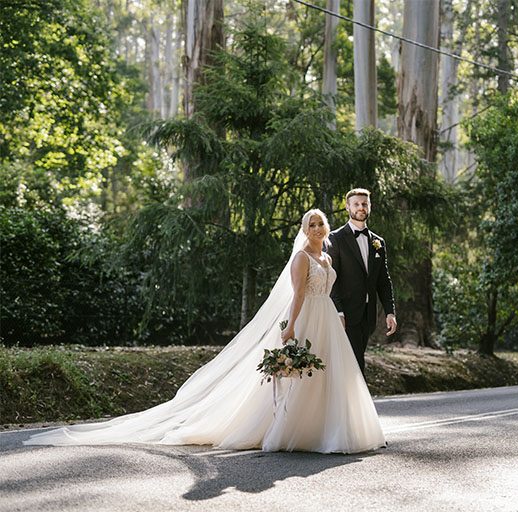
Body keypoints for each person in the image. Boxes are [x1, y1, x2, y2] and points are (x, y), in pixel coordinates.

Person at [24, 209, 386, 454]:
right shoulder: (301, 259)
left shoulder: (326, 258)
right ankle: (296, 429)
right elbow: (299, 295)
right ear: (304, 231)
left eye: (321, 224)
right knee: (303, 376)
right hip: (307, 318)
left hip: (328, 319)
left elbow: (328, 290)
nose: (318, 230)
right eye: (312, 225)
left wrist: (337, 311)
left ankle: (332, 428)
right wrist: (291, 326)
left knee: (333, 376)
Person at [327, 188, 397, 376]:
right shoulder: (335, 238)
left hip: (367, 314)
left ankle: (350, 402)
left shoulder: (378, 242)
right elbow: (331, 279)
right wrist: (338, 311)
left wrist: (390, 312)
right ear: (347, 207)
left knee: (356, 357)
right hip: (346, 314)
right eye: (356, 204)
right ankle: (359, 403)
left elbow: (383, 280)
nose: (361, 207)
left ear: (369, 206)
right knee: (355, 361)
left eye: (364, 204)